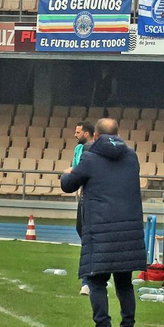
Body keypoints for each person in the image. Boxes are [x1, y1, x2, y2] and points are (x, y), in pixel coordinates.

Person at [59, 117, 145, 327]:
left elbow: (68, 185)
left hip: (101, 227)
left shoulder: (90, 158)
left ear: (95, 135)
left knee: (96, 281)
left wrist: (68, 173)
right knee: (124, 283)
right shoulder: (131, 156)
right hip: (128, 228)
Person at [71, 120, 92, 295]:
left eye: (78, 132)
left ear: (87, 133)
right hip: (83, 197)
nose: (75, 135)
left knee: (89, 237)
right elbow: (76, 170)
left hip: (94, 198)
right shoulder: (78, 150)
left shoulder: (94, 150)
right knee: (81, 231)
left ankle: (89, 280)